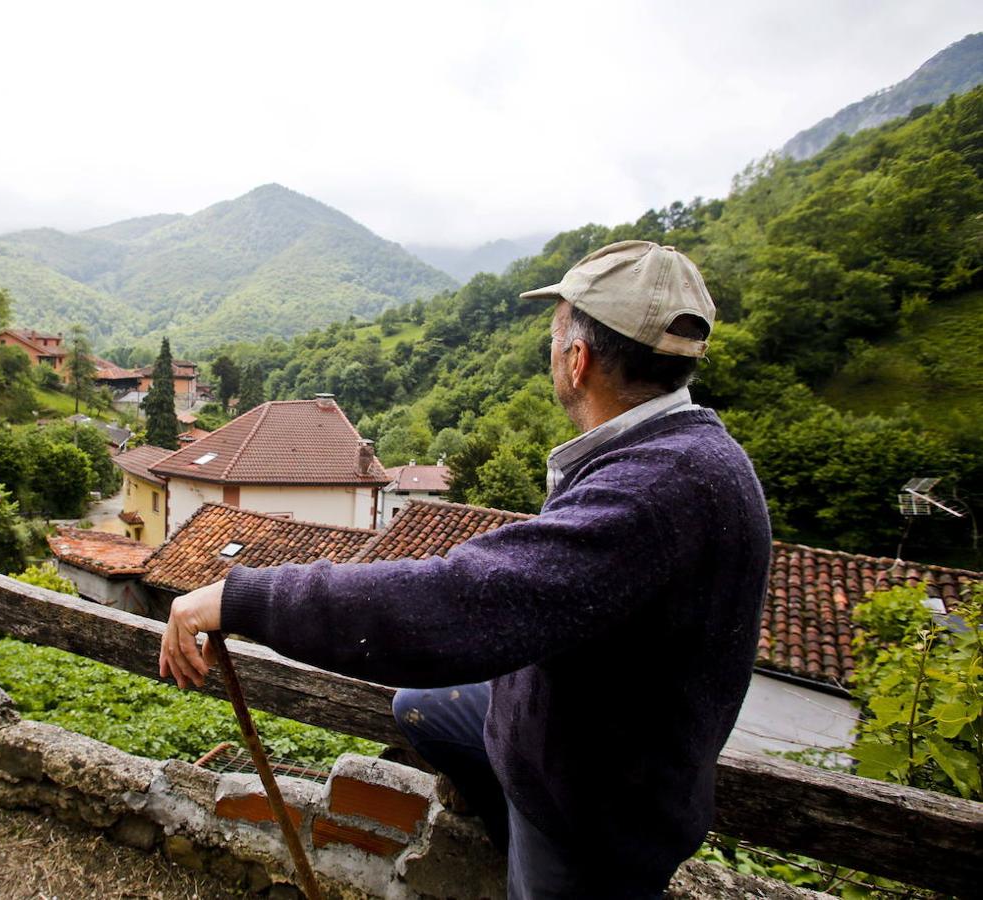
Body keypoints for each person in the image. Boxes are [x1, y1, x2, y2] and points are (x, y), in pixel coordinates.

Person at [158, 241, 771, 899]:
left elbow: (454, 605)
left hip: (594, 810)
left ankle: (528, 846)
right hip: (577, 738)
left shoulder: (654, 491)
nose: (553, 348)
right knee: (422, 707)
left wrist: (241, 596)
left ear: (579, 359)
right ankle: (508, 826)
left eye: (556, 331)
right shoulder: (680, 454)